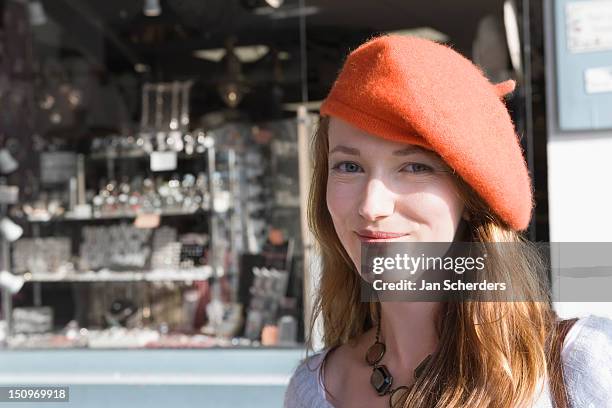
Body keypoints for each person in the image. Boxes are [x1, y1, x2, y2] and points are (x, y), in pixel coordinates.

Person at [283, 35, 612, 408]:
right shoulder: (315, 389)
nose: (371, 205)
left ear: (471, 197)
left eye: (414, 167)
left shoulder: (582, 367)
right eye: (349, 166)